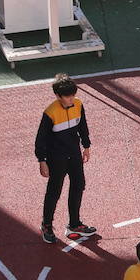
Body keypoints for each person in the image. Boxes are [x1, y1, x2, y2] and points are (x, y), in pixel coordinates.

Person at [35, 73, 95, 244]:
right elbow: (41, 139)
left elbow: (82, 125)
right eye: (68, 96)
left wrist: (86, 146)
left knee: (79, 185)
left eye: (73, 95)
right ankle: (46, 225)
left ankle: (74, 224)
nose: (71, 99)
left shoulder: (78, 104)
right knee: (54, 191)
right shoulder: (50, 113)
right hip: (57, 158)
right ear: (58, 96)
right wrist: (42, 160)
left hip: (74, 153)